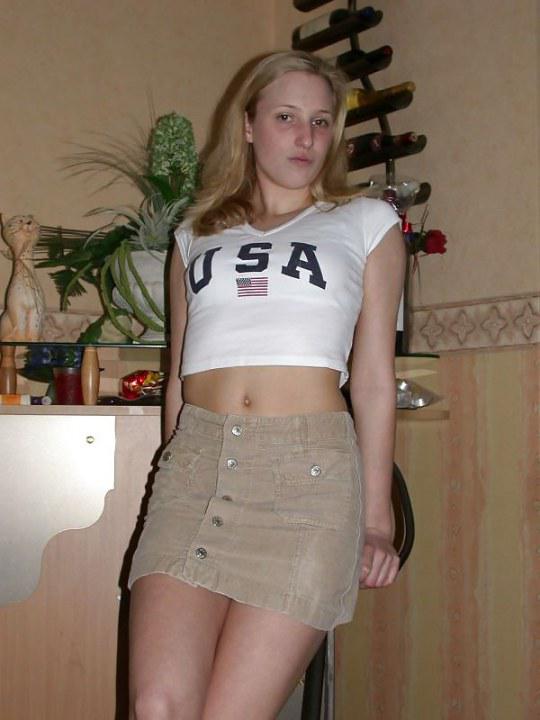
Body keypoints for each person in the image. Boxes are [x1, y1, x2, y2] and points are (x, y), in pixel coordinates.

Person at [127, 50, 406, 720]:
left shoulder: (367, 223)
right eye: (286, 118)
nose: (306, 137)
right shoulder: (195, 233)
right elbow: (179, 374)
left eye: (320, 121)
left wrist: (377, 519)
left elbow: (373, 380)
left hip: (304, 480)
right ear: (249, 125)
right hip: (195, 470)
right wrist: (171, 470)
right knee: (158, 705)